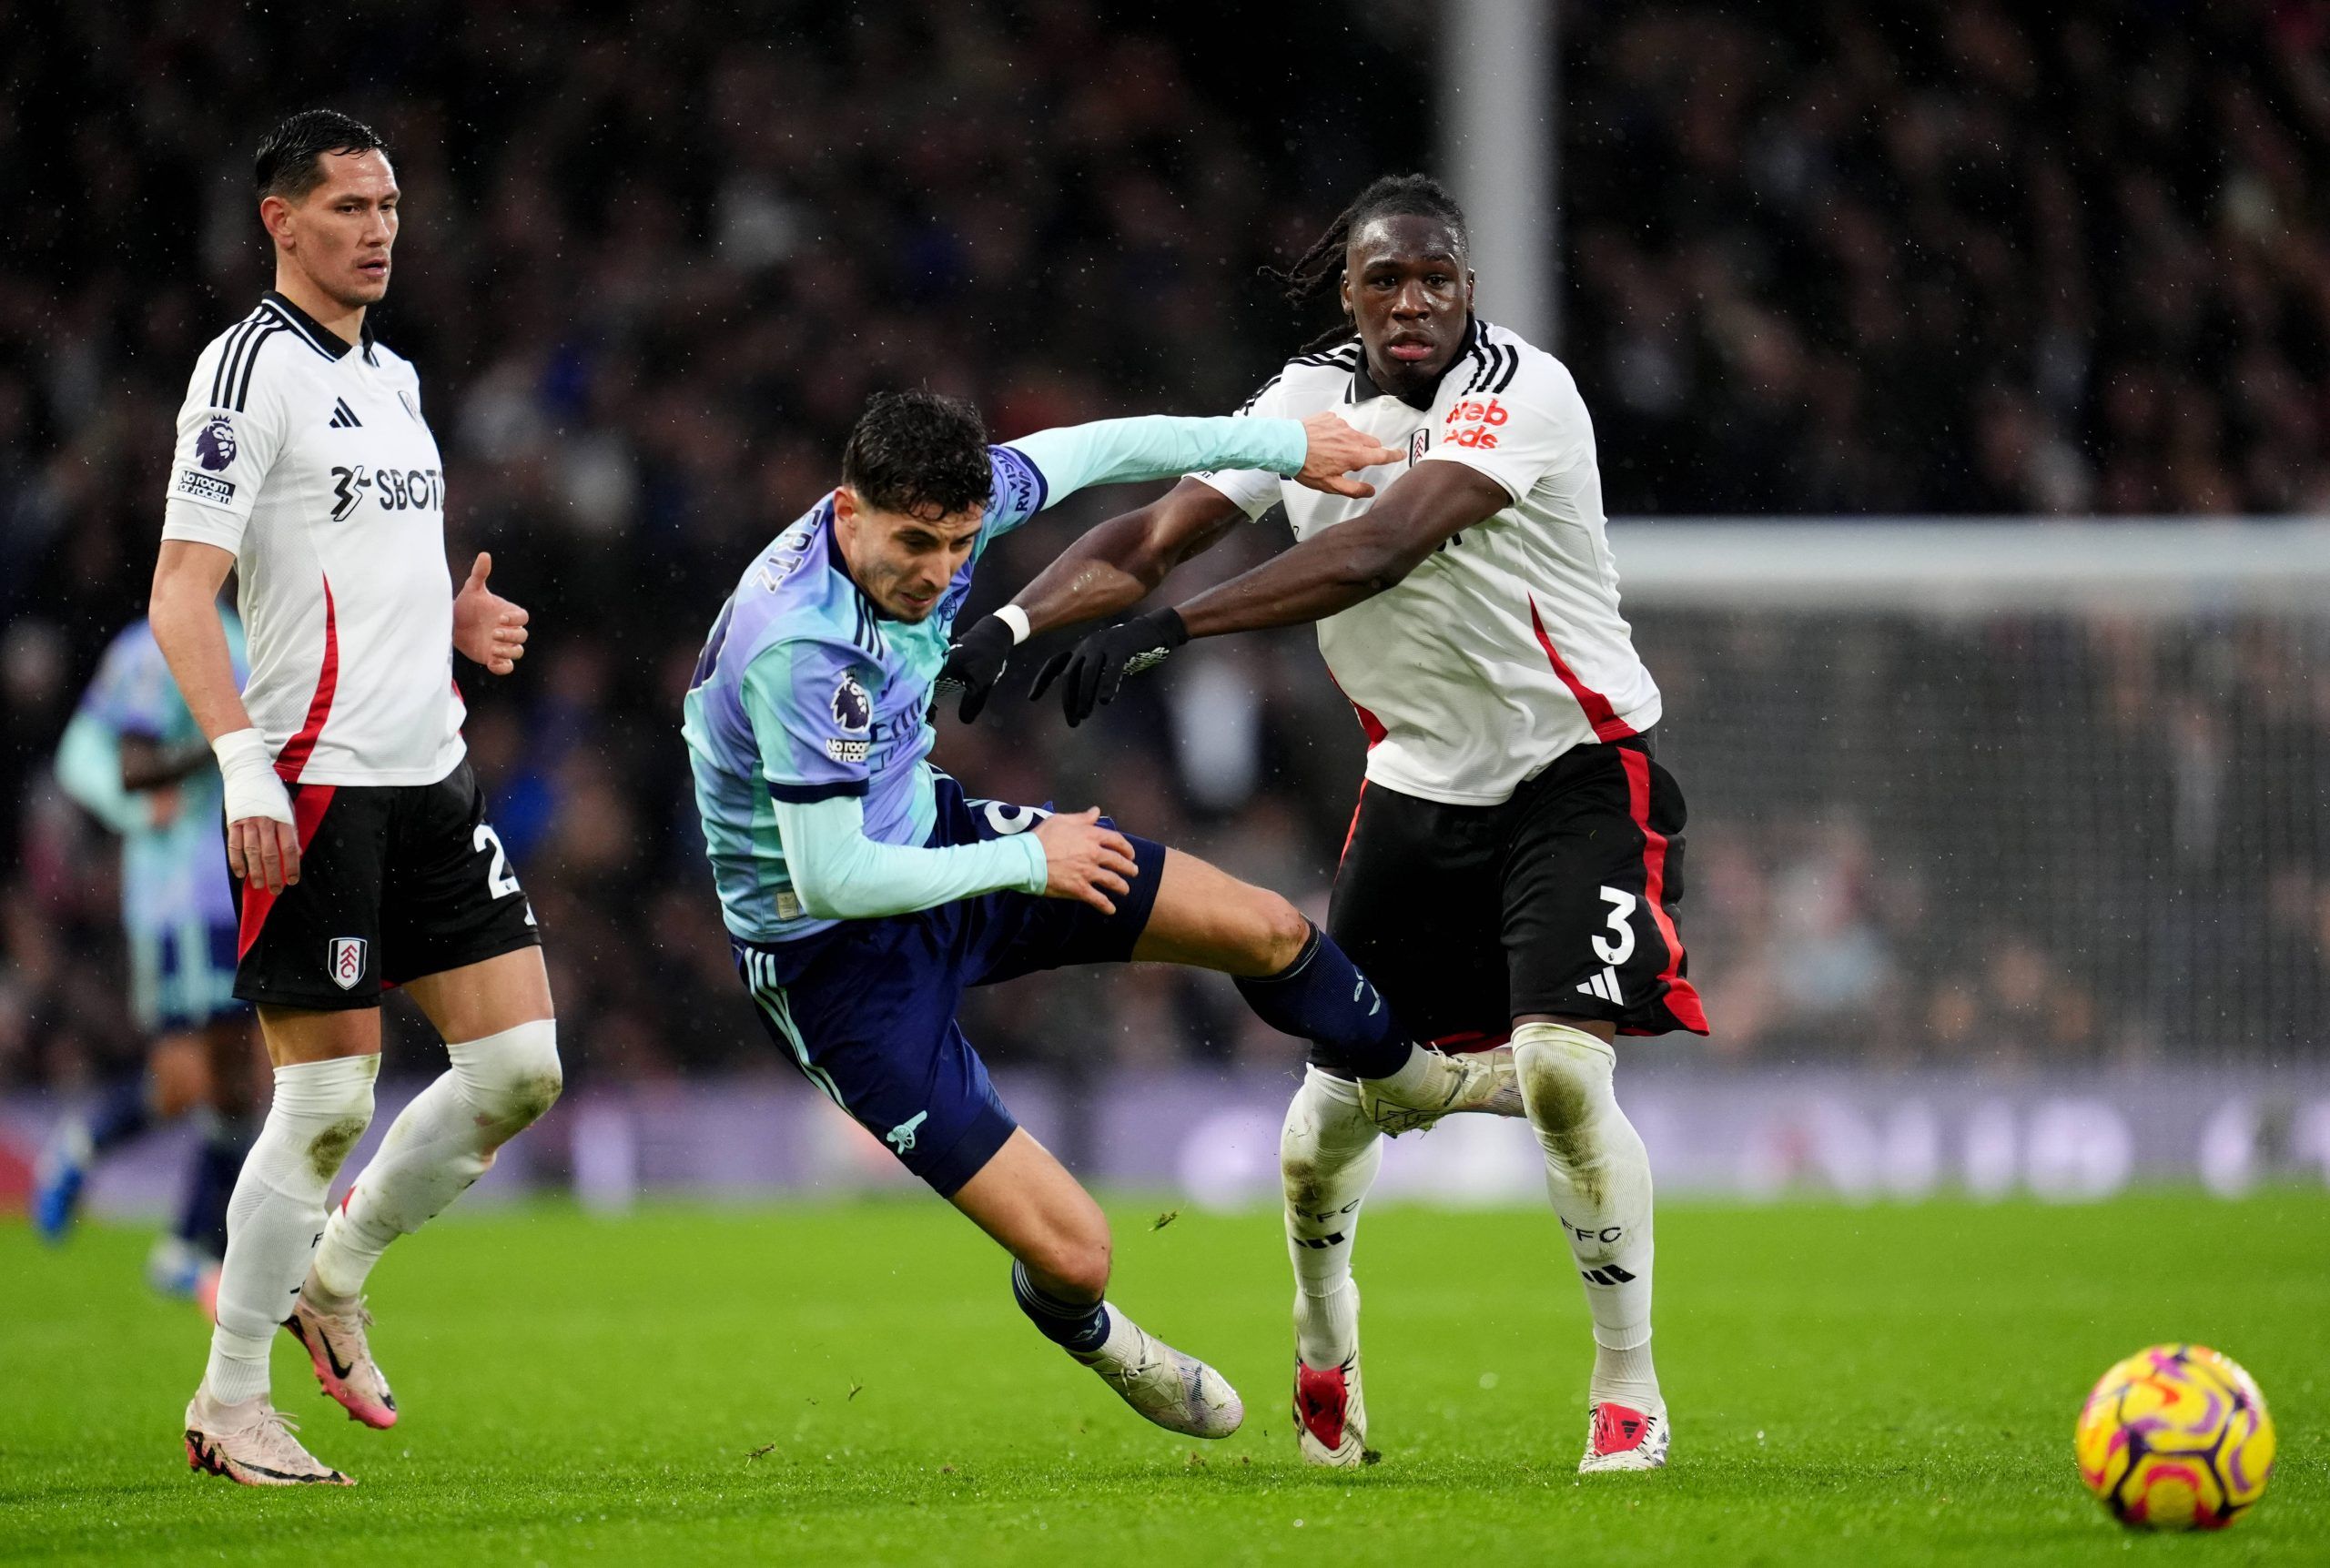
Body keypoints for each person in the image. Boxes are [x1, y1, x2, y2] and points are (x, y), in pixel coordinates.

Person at [942, 175, 1707, 1473]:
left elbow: (1377, 549)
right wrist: (1013, 622)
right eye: (1385, 280)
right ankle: (1321, 1338)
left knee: (1565, 1074)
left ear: (1470, 289)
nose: (1412, 301)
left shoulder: (1522, 392)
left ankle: (1627, 1388)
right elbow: (1155, 531)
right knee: (1336, 1116)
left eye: (1435, 278)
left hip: (1576, 770)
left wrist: (1168, 630)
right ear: (1347, 294)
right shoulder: (1304, 403)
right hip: (1415, 789)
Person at [684, 388, 1518, 1441]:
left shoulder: (958, 504)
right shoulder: (799, 646)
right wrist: (1028, 858)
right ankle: (1090, 1332)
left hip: (936, 838)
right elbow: (833, 878)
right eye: (913, 544)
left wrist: (1284, 446)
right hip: (831, 960)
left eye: (959, 543)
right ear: (847, 512)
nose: (939, 572)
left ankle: (1414, 1075)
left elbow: (1108, 446)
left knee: (1264, 928)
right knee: (1078, 1255)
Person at [150, 109, 550, 1487]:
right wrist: (240, 763)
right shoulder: (245, 370)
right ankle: (229, 1401)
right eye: (347, 208)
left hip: (429, 771)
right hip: (313, 783)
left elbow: (362, 565)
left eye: (388, 207)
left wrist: (452, 621)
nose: (378, 231)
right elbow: (182, 594)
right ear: (280, 220)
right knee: (325, 1097)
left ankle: (334, 1273)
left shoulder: (395, 375)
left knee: (521, 1069)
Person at [37, 612, 260, 1306]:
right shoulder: (154, 643)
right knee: (187, 1078)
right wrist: (141, 804)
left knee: (238, 1082)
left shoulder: (254, 631)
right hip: (180, 894)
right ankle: (83, 1143)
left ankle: (188, 1245)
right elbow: (102, 759)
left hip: (244, 884)